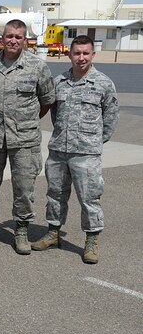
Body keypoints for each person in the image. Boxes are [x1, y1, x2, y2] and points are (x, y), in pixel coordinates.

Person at [32, 35, 119, 263]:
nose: (81, 58)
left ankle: (91, 239)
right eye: (77, 53)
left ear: (92, 55)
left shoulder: (103, 83)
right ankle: (53, 233)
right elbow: (54, 114)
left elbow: (110, 118)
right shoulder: (59, 81)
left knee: (89, 197)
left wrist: (94, 142)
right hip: (59, 150)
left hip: (87, 153)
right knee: (55, 194)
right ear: (69, 54)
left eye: (85, 53)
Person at [0, 19, 55, 254]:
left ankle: (21, 229)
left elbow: (47, 99)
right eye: (9, 36)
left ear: (25, 40)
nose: (13, 40)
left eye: (18, 37)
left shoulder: (37, 67)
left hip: (24, 140)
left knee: (24, 187)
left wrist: (27, 121)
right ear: (2, 38)